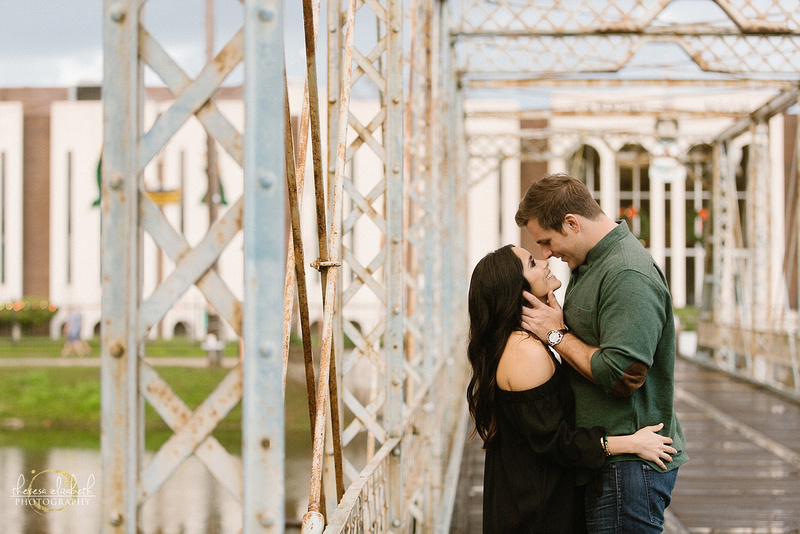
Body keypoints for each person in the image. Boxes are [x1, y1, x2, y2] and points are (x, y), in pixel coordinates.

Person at [514, 173, 688, 533]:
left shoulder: (626, 272)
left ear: (572, 223)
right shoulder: (589, 262)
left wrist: (555, 334)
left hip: (628, 468)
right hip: (607, 461)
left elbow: (622, 375)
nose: (546, 254)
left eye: (546, 241)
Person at [467, 244, 676, 533]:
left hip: (532, 500)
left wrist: (557, 331)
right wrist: (630, 443)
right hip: (536, 511)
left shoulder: (523, 342)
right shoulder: (524, 351)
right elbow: (556, 441)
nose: (544, 261)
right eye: (531, 263)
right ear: (517, 290)